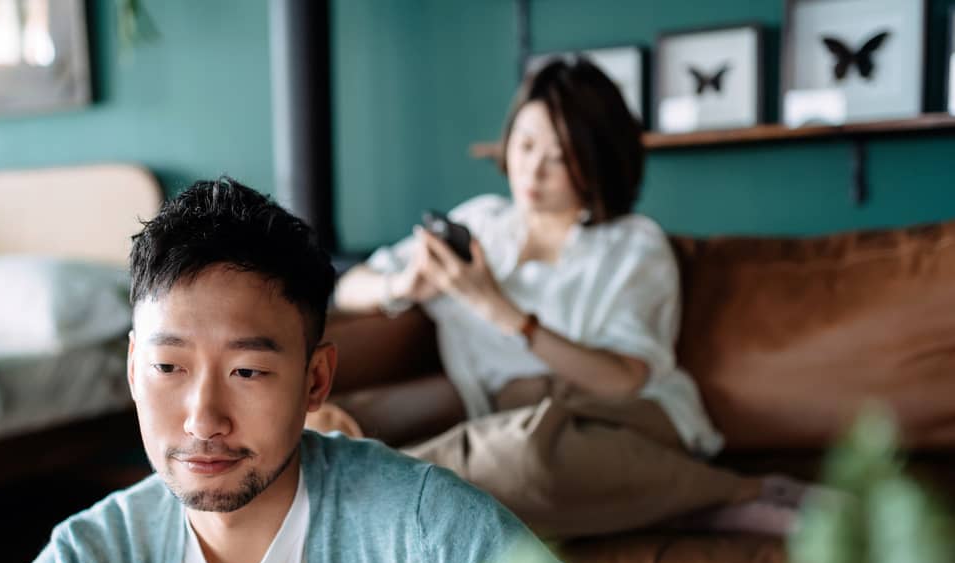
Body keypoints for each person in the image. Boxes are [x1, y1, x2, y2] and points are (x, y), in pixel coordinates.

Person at [0, 177, 699, 563]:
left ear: (315, 380)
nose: (203, 417)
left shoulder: (418, 520)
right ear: (132, 370)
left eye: (248, 371)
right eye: (168, 368)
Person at [326, 57, 811, 538]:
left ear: (595, 159)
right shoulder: (481, 224)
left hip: (621, 418)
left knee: (530, 459)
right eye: (526, 143)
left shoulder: (634, 245)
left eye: (558, 156)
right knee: (511, 446)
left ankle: (359, 479)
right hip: (508, 421)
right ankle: (687, 503)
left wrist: (501, 311)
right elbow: (347, 288)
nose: (534, 169)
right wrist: (402, 286)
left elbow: (622, 380)